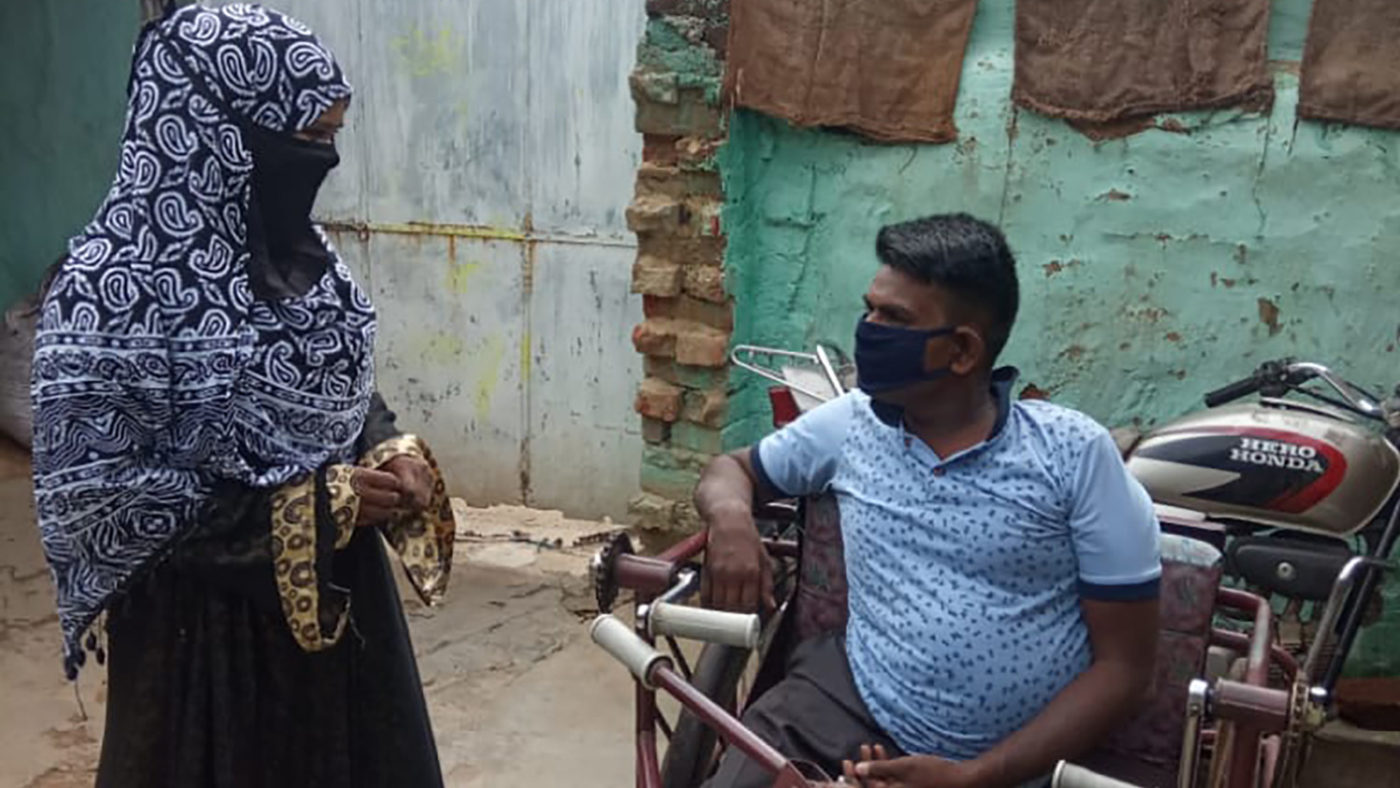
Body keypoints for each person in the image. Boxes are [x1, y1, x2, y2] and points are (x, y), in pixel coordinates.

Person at [30, 5, 452, 786]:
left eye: (331, 137)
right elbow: (103, 501)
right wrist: (303, 507)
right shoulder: (108, 295)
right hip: (202, 656)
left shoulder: (304, 259)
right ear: (218, 133)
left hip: (342, 630)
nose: (321, 160)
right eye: (306, 140)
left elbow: (339, 383)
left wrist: (383, 448)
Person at [695, 214, 1162, 788]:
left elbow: (1126, 668)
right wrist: (731, 519)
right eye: (870, 308)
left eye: (893, 318)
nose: (868, 328)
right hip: (855, 705)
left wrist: (976, 776)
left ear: (962, 351)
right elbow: (731, 469)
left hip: (1025, 758)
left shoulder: (1071, 456)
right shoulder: (851, 424)